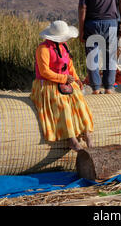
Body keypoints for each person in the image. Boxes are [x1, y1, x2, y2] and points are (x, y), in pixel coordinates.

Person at [30, 20, 94, 151]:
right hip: (48, 84)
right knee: (62, 105)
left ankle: (87, 135)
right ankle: (72, 139)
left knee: (80, 103)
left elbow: (69, 66)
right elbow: (44, 71)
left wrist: (76, 79)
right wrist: (63, 78)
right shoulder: (43, 49)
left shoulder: (63, 46)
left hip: (66, 82)